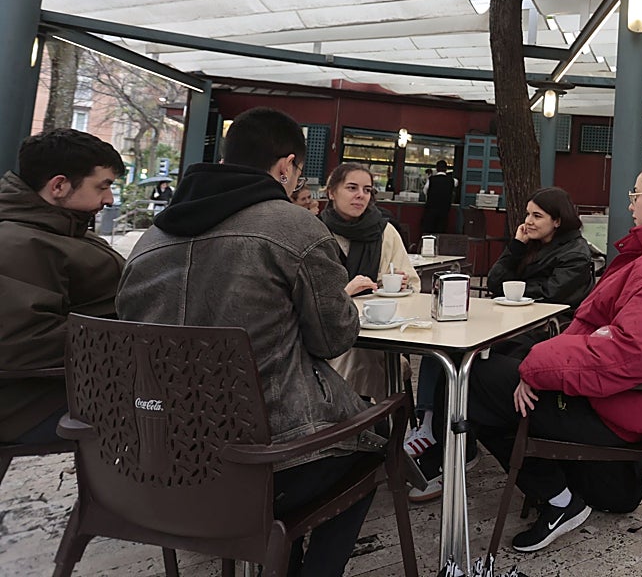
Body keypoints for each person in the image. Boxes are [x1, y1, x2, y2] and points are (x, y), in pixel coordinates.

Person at [116, 107, 379, 577]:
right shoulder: (295, 228)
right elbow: (334, 339)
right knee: (374, 447)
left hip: (157, 461)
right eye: (298, 171)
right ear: (285, 166)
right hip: (267, 463)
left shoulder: (149, 239)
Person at [465, 155, 642, 553]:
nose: (630, 204)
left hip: (615, 407)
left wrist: (536, 368)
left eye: (636, 194)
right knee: (497, 361)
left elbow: (627, 353)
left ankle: (559, 500)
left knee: (475, 382)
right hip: (618, 396)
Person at [405, 187, 595, 498]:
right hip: (510, 325)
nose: (528, 222)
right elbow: (495, 282)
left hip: (540, 336)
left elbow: (550, 295)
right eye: (528, 214)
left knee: (464, 364)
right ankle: (440, 437)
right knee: (443, 352)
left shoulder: (575, 253)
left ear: (558, 221)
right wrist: (516, 247)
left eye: (537, 216)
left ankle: (450, 448)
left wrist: (515, 288)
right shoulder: (530, 245)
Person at [0, 129, 125, 445]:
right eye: (103, 186)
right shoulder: (19, 243)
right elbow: (23, 343)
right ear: (59, 185)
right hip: (38, 406)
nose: (109, 199)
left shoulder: (61, 229)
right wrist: (135, 343)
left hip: (73, 389)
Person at [321, 163, 419, 403]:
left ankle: (346, 420)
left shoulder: (385, 231)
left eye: (367, 190)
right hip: (324, 332)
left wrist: (402, 286)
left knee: (357, 354)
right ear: (331, 192)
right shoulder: (314, 231)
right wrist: (347, 292)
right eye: (352, 187)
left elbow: (414, 285)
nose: (360, 195)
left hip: (377, 334)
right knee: (350, 353)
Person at [419, 159, 457, 234]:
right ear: (446, 169)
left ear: (436, 169)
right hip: (444, 211)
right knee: (441, 232)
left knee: (429, 232)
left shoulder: (431, 179)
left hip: (431, 210)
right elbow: (456, 184)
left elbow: (425, 190)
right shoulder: (452, 181)